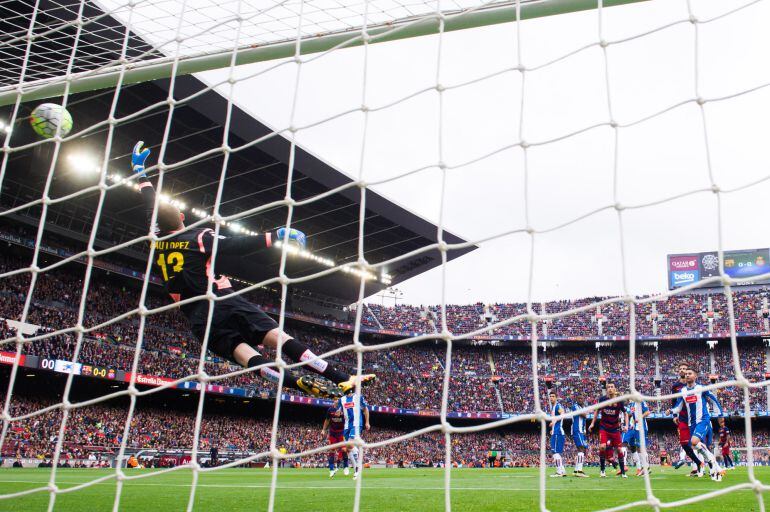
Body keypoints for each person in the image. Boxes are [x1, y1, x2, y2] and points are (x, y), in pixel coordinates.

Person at [131, 142, 374, 398]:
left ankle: (294, 383)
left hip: (197, 319)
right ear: (181, 217)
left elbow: (150, 204)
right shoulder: (198, 237)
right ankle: (341, 378)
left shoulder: (156, 241)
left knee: (245, 355)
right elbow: (236, 245)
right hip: (221, 301)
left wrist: (140, 173)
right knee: (278, 338)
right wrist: (276, 235)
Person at [668, 367, 726, 482]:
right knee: (694, 446)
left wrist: (720, 415)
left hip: (703, 420)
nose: (687, 375)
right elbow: (679, 407)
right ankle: (711, 461)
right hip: (691, 423)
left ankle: (711, 461)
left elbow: (713, 400)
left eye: (690, 373)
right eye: (686, 374)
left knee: (694, 442)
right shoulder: (683, 391)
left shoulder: (701, 388)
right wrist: (671, 411)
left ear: (695, 376)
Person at [588, 381, 627, 478]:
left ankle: (623, 472)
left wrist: (626, 425)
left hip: (615, 428)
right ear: (606, 390)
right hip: (604, 427)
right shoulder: (602, 399)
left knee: (619, 449)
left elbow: (625, 413)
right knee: (602, 447)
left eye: (612, 387)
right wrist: (592, 423)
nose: (610, 388)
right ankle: (602, 470)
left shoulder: (619, 400)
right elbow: (597, 411)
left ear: (615, 389)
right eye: (608, 387)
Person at [671, 363, 704, 477]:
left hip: (695, 418)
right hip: (682, 417)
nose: (683, 371)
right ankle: (698, 464)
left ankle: (705, 466)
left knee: (696, 443)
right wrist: (674, 415)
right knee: (685, 443)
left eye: (685, 369)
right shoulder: (676, 386)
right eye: (680, 369)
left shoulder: (695, 385)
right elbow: (674, 401)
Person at [337, 389, 370, 480]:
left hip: (356, 424)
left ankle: (357, 467)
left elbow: (365, 409)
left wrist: (367, 422)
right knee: (347, 449)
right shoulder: (341, 400)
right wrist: (338, 412)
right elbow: (339, 411)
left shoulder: (358, 397)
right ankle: (356, 468)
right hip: (347, 426)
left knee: (350, 444)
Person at [625, 400, 651, 476]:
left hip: (642, 427)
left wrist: (640, 417)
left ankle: (646, 467)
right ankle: (644, 467)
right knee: (638, 447)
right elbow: (633, 415)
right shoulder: (632, 404)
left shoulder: (641, 401)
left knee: (641, 447)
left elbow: (647, 412)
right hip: (636, 427)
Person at [322, 406, 348, 477]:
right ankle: (331, 470)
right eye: (335, 400)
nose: (336, 401)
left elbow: (348, 420)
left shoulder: (344, 409)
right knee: (332, 450)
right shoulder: (330, 410)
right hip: (332, 433)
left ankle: (346, 467)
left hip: (341, 432)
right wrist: (323, 430)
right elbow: (327, 420)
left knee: (344, 449)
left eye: (337, 400)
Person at [570, 394, 589, 478]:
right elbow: (584, 415)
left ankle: (576, 470)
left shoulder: (582, 407)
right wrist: (585, 412)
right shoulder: (575, 406)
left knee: (582, 449)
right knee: (581, 448)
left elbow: (584, 419)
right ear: (576, 399)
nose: (580, 400)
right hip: (577, 430)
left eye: (582, 398)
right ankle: (580, 471)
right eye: (579, 398)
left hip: (581, 431)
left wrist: (584, 430)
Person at [548, 391, 566, 478]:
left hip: (558, 432)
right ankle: (562, 470)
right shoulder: (553, 407)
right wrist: (552, 429)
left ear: (556, 397)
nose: (551, 398)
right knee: (557, 452)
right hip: (556, 431)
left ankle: (559, 472)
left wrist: (553, 422)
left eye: (553, 396)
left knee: (554, 452)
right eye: (550, 396)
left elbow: (562, 414)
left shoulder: (558, 406)